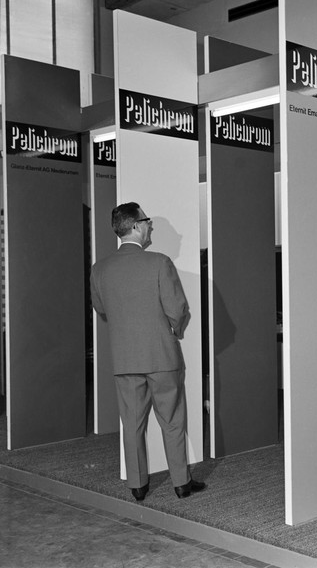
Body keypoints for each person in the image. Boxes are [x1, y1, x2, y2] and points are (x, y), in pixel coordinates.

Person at [90, 202, 205, 502]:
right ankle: (181, 483)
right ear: (137, 226)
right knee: (172, 421)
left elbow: (102, 310)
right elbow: (177, 308)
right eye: (148, 222)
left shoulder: (99, 269)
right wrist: (175, 332)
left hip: (125, 360)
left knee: (132, 424)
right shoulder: (159, 262)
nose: (150, 226)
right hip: (161, 357)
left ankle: (138, 486)